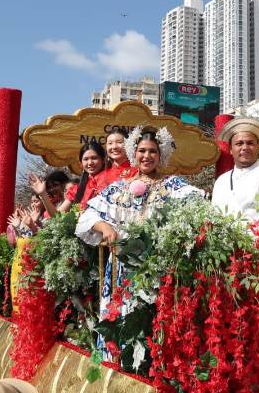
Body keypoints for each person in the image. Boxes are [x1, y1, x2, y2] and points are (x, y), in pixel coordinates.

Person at [75, 125, 203, 359]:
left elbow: (200, 206)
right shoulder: (119, 188)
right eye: (142, 150)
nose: (147, 156)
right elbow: (86, 219)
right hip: (121, 270)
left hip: (158, 269)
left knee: (154, 326)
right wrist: (105, 227)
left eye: (153, 151)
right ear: (133, 153)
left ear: (161, 154)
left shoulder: (173, 186)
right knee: (120, 324)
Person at [57, 141, 107, 212]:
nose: (90, 163)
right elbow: (57, 215)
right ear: (81, 163)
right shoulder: (76, 189)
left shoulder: (113, 180)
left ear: (103, 160)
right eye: (86, 159)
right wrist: (43, 195)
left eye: (94, 158)